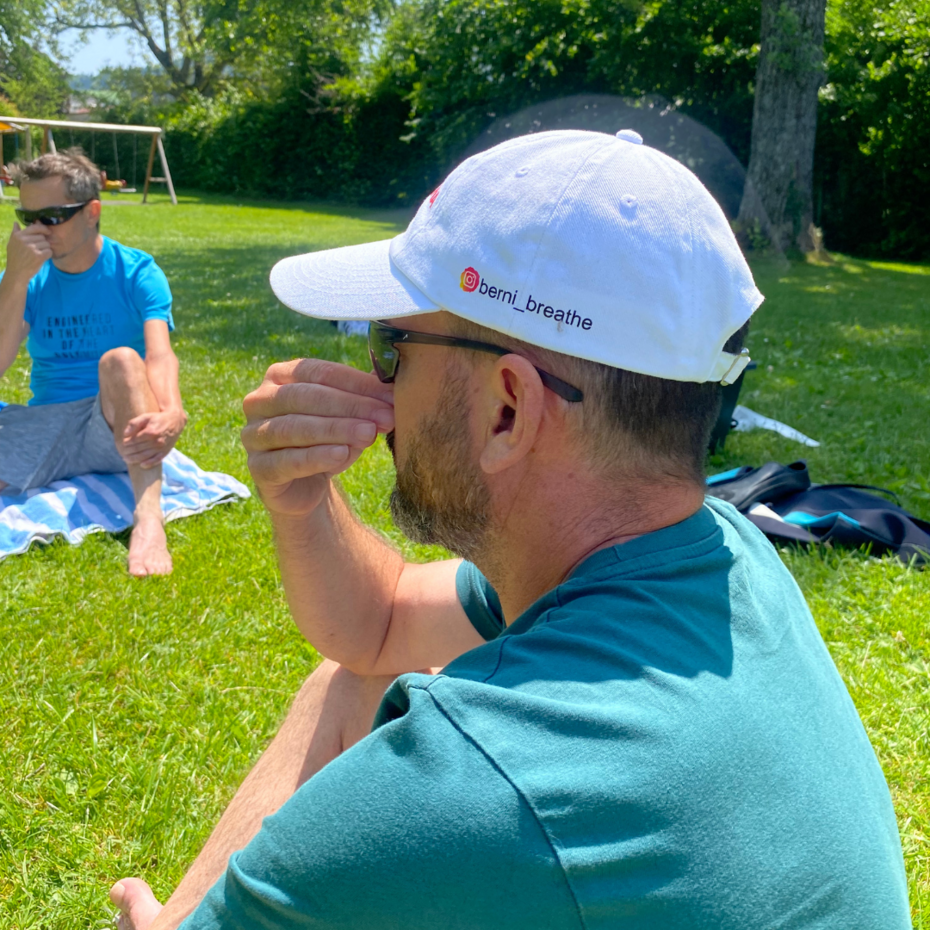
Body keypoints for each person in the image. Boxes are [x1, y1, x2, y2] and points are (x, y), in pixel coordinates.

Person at [112, 130, 910, 929]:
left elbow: (469, 783)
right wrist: (302, 503)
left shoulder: (472, 781)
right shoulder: (728, 550)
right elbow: (380, 624)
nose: (377, 388)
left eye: (391, 348)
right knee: (349, 683)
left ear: (507, 409)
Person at [0, 149, 185, 576]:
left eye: (52, 217)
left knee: (122, 359)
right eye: (28, 218)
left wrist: (172, 410)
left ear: (92, 212)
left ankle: (148, 519)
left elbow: (159, 354)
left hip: (116, 424)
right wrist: (15, 277)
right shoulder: (27, 278)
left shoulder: (136, 271)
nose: (38, 231)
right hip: (48, 424)